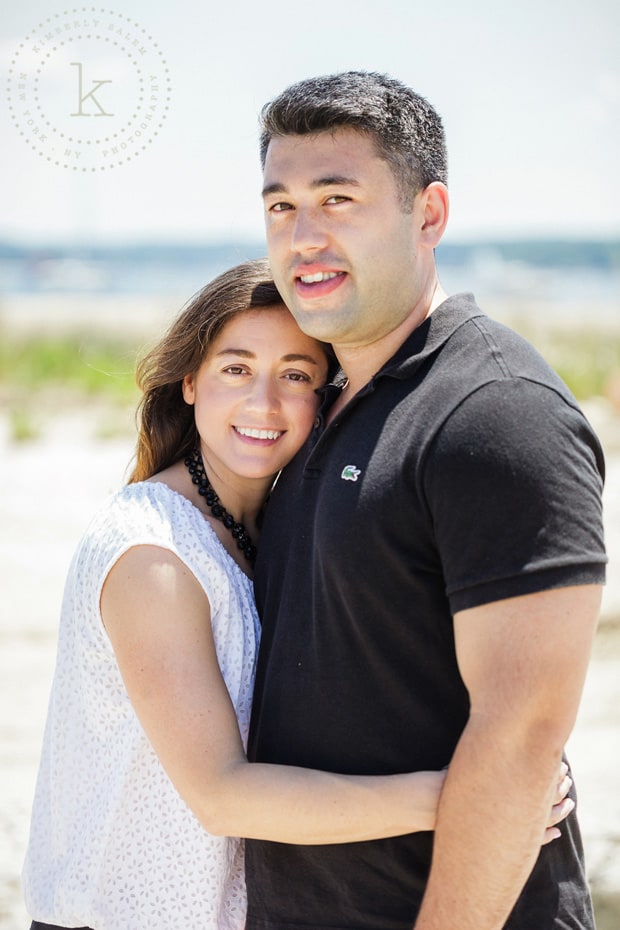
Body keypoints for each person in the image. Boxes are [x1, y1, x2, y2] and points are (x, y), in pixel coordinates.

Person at [23, 259, 571, 930]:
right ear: (190, 381)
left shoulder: (276, 530)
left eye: (295, 375)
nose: (265, 403)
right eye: (236, 369)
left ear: (326, 398)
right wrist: (474, 797)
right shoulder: (152, 552)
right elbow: (221, 796)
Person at [246, 72, 607, 930]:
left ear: (430, 215)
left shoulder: (497, 412)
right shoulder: (313, 402)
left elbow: (520, 743)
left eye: (339, 199)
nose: (304, 236)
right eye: (281, 207)